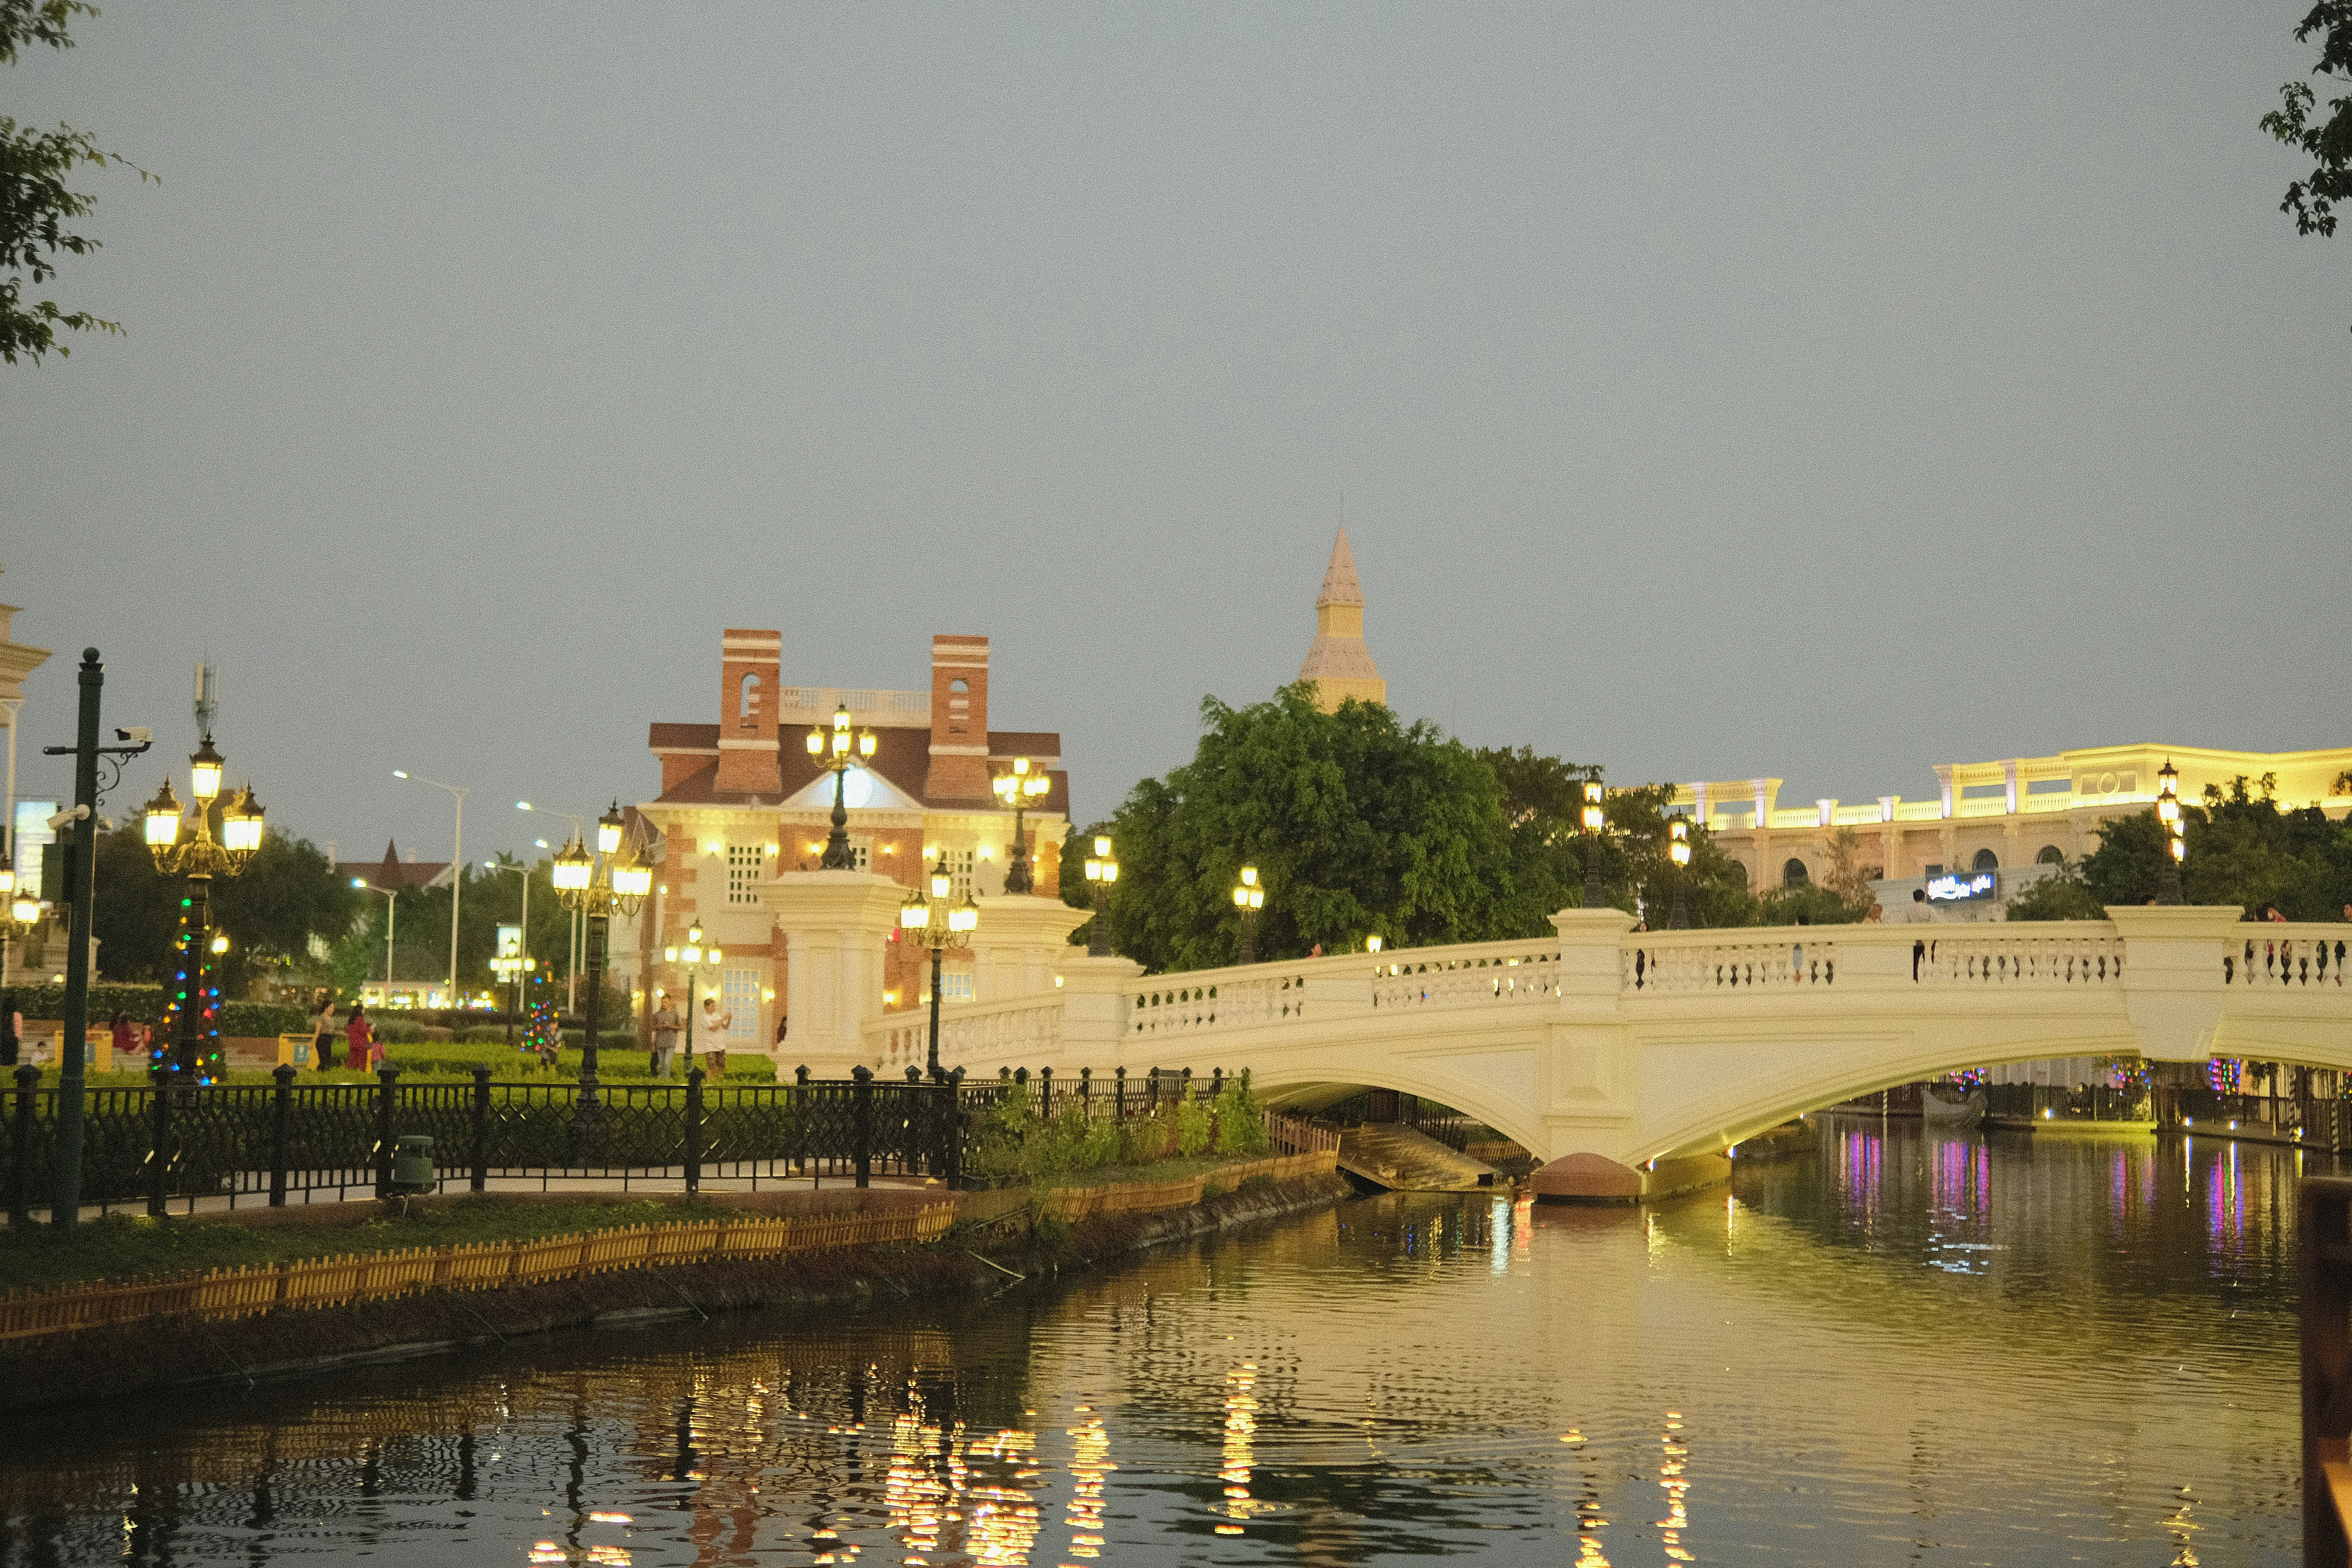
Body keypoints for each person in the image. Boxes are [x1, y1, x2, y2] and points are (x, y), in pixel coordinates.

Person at [699, 994, 731, 1079]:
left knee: (721, 1066)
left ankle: (718, 1082)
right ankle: (709, 1083)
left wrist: (729, 1019)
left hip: (720, 1045)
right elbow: (713, 1028)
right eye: (712, 1006)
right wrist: (724, 1018)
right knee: (711, 1066)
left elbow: (725, 1027)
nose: (714, 1008)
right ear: (707, 1007)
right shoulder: (704, 1017)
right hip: (710, 1046)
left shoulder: (717, 1016)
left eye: (714, 1006)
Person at [650, 998, 682, 1079]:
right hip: (660, 1042)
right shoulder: (658, 1014)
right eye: (663, 1002)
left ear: (670, 1002)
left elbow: (680, 1027)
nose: (664, 1004)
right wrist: (660, 1026)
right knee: (662, 1064)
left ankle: (666, 1081)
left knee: (667, 1063)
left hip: (671, 1042)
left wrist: (670, 1026)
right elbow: (653, 1028)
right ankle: (663, 1080)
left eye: (666, 1002)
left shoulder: (675, 1014)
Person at [312, 995, 338, 1073]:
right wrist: (313, 1042)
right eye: (331, 1008)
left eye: (333, 1008)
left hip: (329, 1040)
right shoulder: (322, 1017)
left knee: (328, 1058)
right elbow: (318, 1031)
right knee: (323, 1060)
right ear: (326, 1008)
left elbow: (332, 1031)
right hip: (322, 1039)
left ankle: (324, 1074)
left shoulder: (332, 1019)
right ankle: (320, 1073)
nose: (332, 1010)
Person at [345, 1004, 375, 1071]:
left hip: (353, 1043)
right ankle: (362, 1073)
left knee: (353, 1060)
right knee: (363, 1061)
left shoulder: (352, 1020)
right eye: (363, 1010)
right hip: (361, 1044)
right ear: (361, 1010)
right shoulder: (360, 1019)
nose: (364, 1011)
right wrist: (370, 1030)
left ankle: (348, 1072)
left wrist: (367, 1026)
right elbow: (363, 1031)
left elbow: (353, 1030)